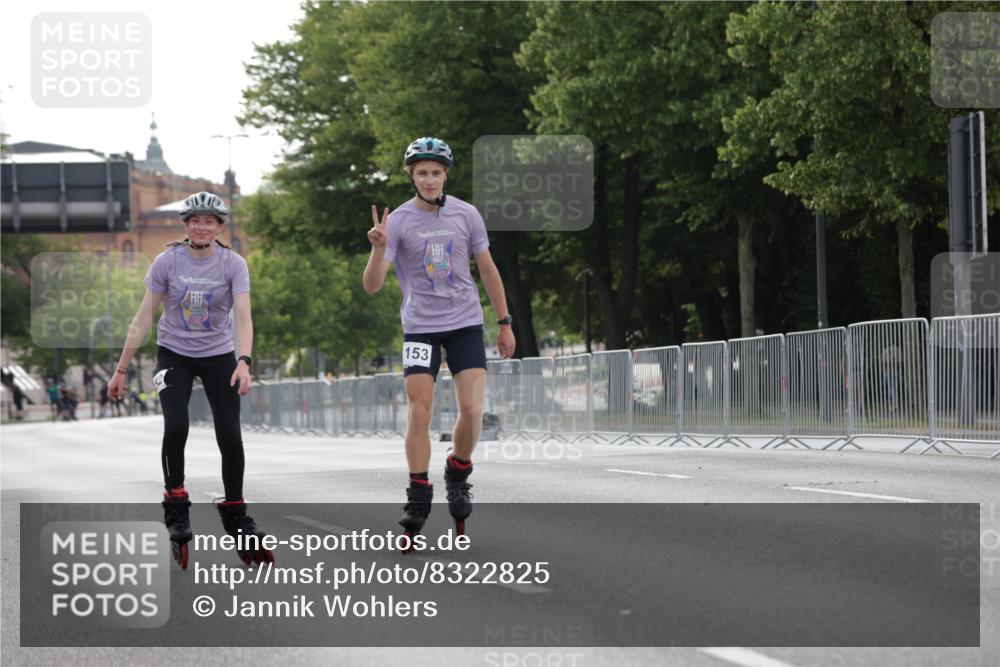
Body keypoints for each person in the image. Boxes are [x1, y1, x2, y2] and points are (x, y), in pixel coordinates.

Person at [107, 191, 272, 569]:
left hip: (219, 356)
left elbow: (244, 318)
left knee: (230, 434)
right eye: (195, 221)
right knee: (177, 424)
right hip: (174, 354)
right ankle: (176, 503)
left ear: (219, 227)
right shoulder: (167, 262)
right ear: (186, 226)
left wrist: (243, 361)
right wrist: (121, 369)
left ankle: (235, 511)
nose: (202, 227)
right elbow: (142, 317)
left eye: (209, 222)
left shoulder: (233, 264)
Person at [363, 137, 516, 544]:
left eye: (435, 173)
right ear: (411, 177)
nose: (429, 180)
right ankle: (417, 492)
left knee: (472, 410)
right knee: (419, 413)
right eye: (421, 173)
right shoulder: (397, 222)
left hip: (466, 323)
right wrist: (378, 250)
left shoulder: (466, 214)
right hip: (420, 327)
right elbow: (373, 286)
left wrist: (504, 322)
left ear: (446, 174)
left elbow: (488, 270)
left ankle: (458, 469)